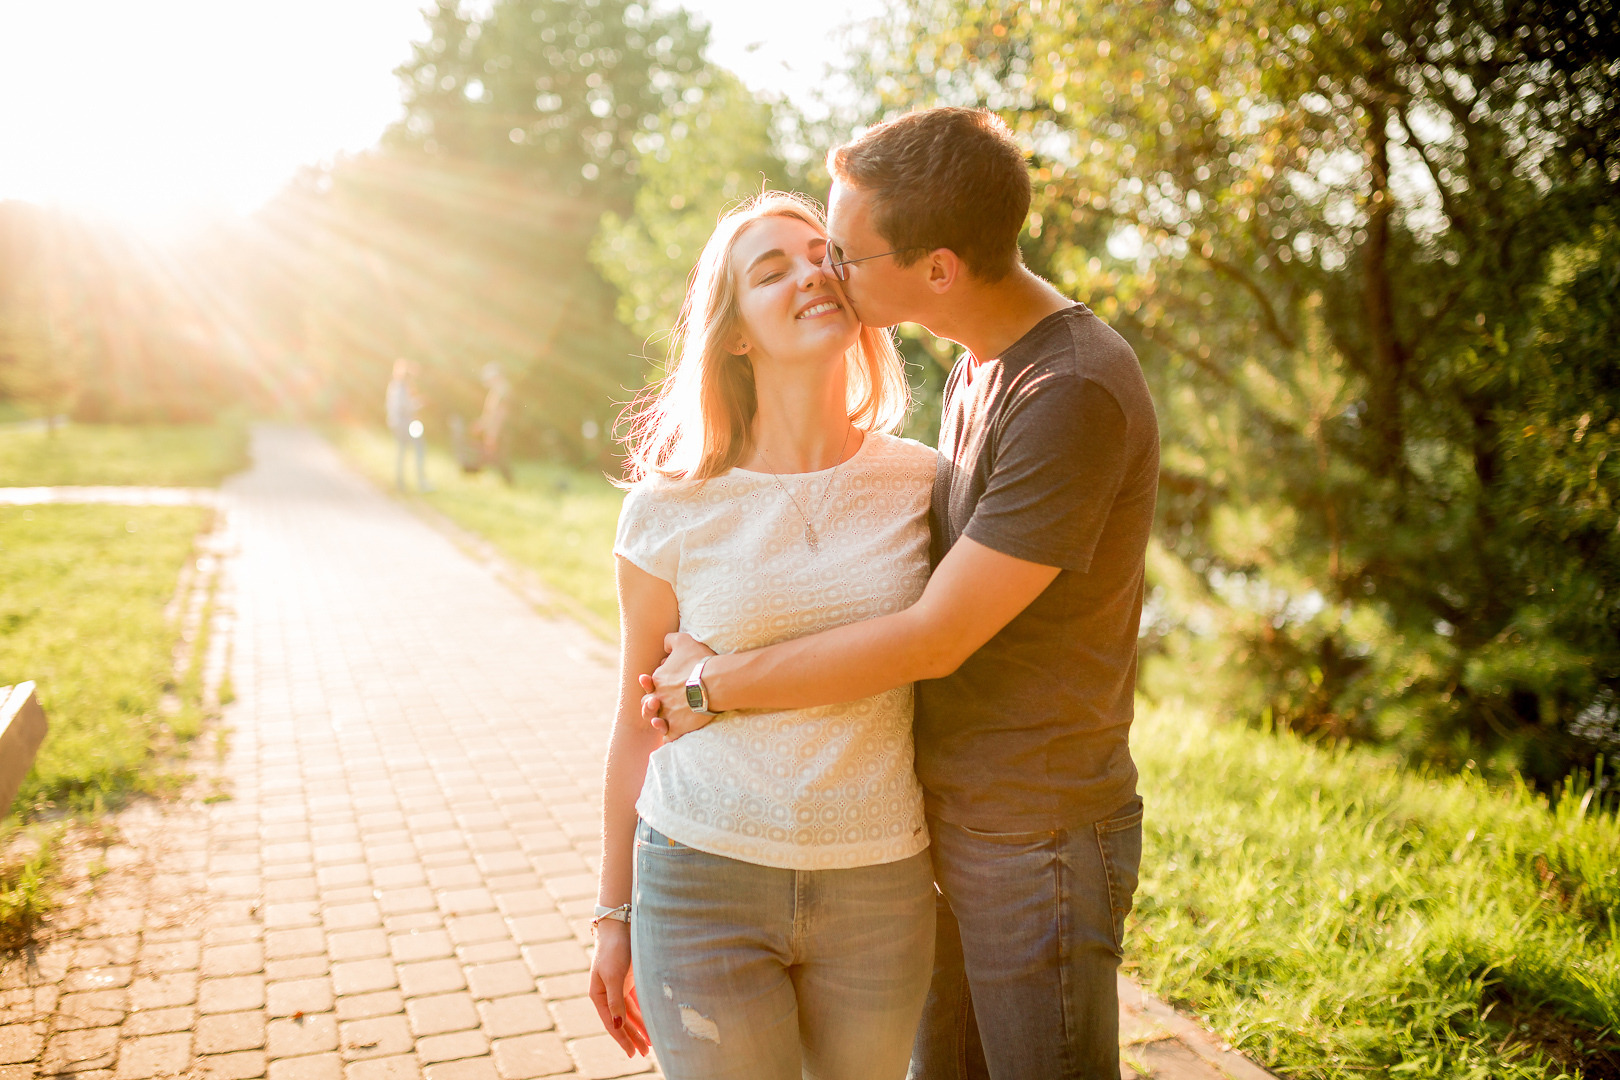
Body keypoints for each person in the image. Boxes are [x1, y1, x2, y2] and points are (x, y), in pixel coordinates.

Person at [643, 107, 1161, 1079]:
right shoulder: (982, 366)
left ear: (937, 270)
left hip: (1034, 834)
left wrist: (717, 685)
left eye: (845, 252)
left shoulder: (1072, 392)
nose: (826, 271)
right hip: (947, 818)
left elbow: (934, 637)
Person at [588, 191, 940, 1080]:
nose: (811, 274)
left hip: (881, 883)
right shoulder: (667, 507)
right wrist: (611, 914)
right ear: (735, 330)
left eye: (824, 255)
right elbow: (639, 719)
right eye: (771, 269)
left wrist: (724, 676)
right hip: (700, 877)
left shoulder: (926, 483)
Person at [385, 358, 430, 492]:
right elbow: (406, 407)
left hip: (396, 422)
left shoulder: (394, 385)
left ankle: (400, 482)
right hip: (405, 423)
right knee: (420, 448)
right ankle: (421, 482)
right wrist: (420, 403)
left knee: (402, 451)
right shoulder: (401, 388)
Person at [473, 362, 513, 483]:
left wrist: (492, 434)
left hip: (499, 430)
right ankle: (475, 475)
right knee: (491, 455)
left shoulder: (502, 391)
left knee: (498, 456)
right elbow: (490, 413)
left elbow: (499, 414)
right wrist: (482, 424)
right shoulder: (497, 390)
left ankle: (509, 482)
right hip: (494, 429)